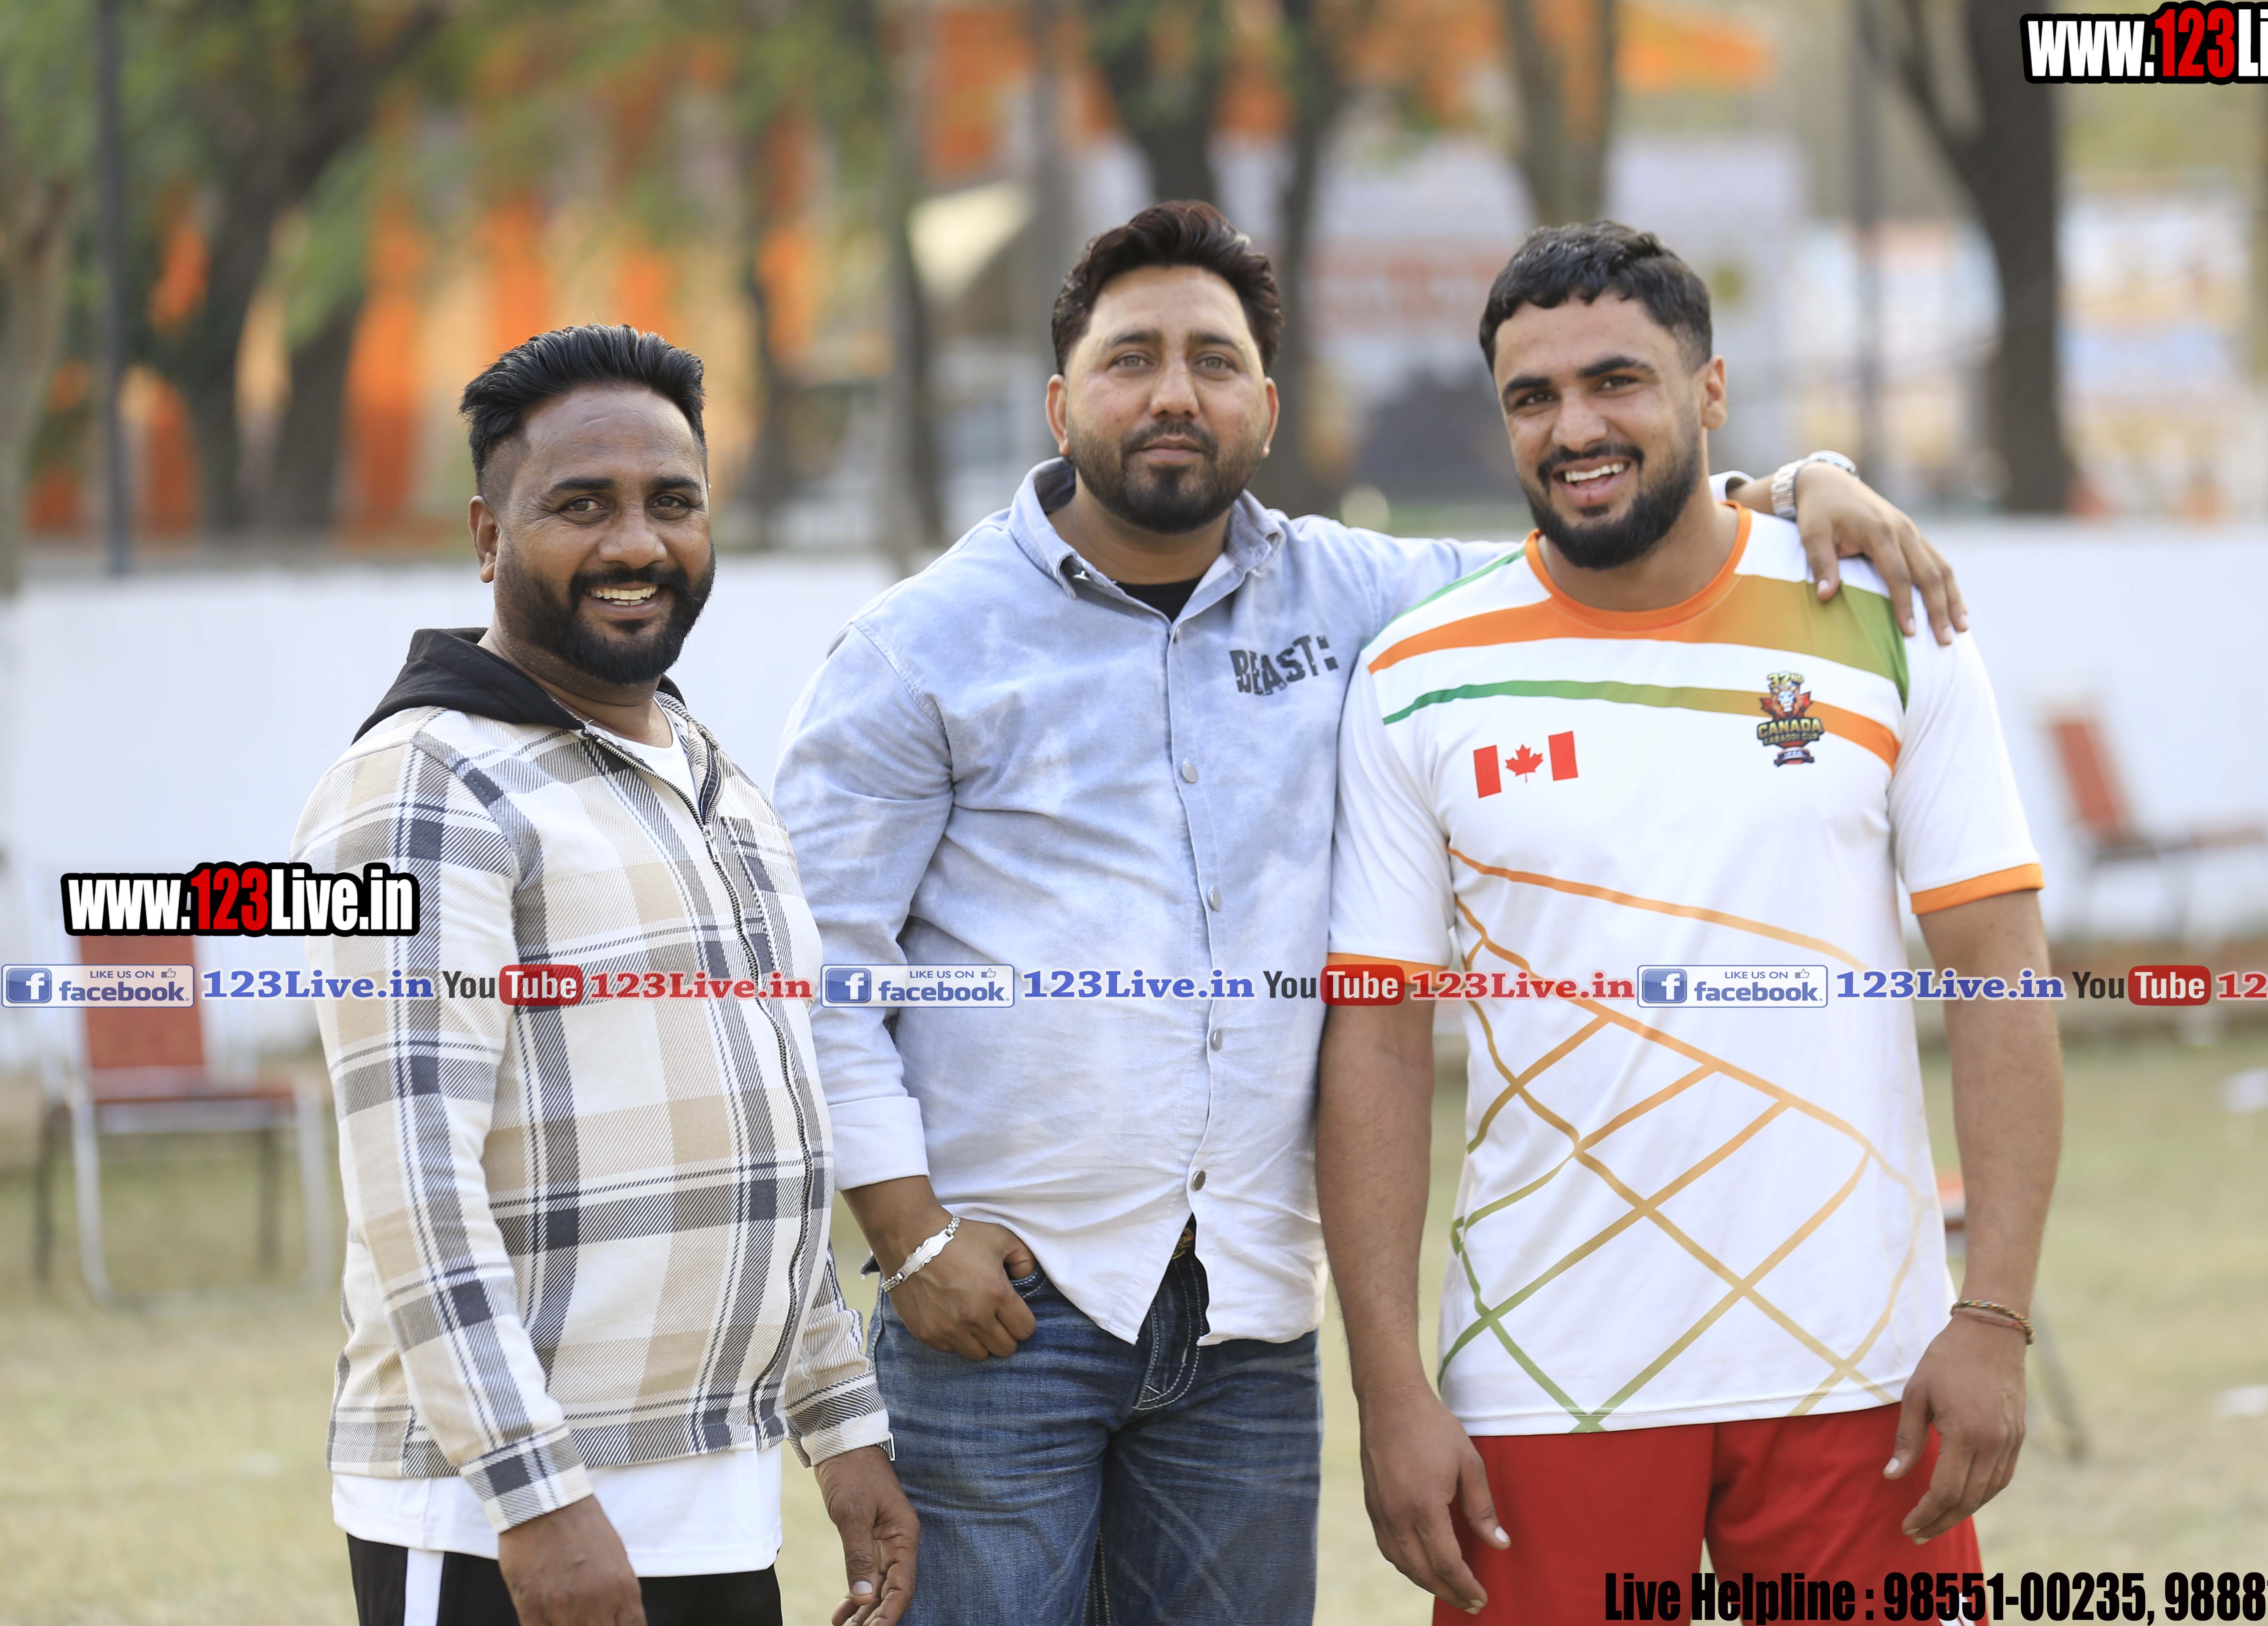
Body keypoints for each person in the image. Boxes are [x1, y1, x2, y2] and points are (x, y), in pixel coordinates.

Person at [773, 200, 1965, 1626]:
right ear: (1059, 401)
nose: (1173, 394)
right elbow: (812, 970)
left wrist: (1802, 481)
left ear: (1268, 408)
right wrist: (910, 1238)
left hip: (1247, 1320)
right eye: (1132, 359)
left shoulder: (1367, 598)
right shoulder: (917, 648)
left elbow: (1604, 531)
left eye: (1214, 362)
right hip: (1004, 1308)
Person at [1317, 222, 2063, 1621]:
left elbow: (2001, 974)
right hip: (1546, 1376)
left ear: (1711, 390)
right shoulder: (1417, 675)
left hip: (1859, 1366)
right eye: (1534, 397)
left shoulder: (1885, 615)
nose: (1575, 429)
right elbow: (1377, 1043)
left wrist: (1994, 1316)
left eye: (1618, 381)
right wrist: (1390, 1387)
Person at [294, 324, 917, 1626]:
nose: (638, 544)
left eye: (672, 502)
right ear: (488, 537)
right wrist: (534, 1499)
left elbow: (774, 1134)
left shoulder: (712, 778)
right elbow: (414, 1189)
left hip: (719, 1495)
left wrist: (840, 1420)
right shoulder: (420, 787)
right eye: (582, 505)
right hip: (496, 1519)